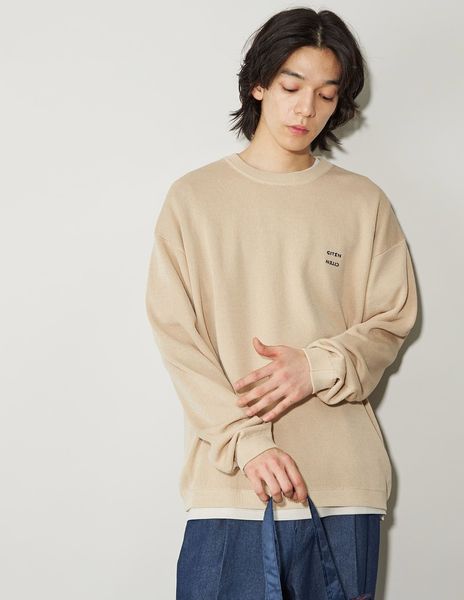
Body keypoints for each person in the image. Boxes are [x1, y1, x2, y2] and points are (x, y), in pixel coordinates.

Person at [145, 7, 418, 599]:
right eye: (292, 87)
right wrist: (248, 441)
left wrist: (315, 365)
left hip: (343, 487)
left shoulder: (363, 202)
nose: (306, 109)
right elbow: (178, 337)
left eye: (326, 94)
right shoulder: (194, 200)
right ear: (259, 85)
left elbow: (391, 321)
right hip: (232, 487)